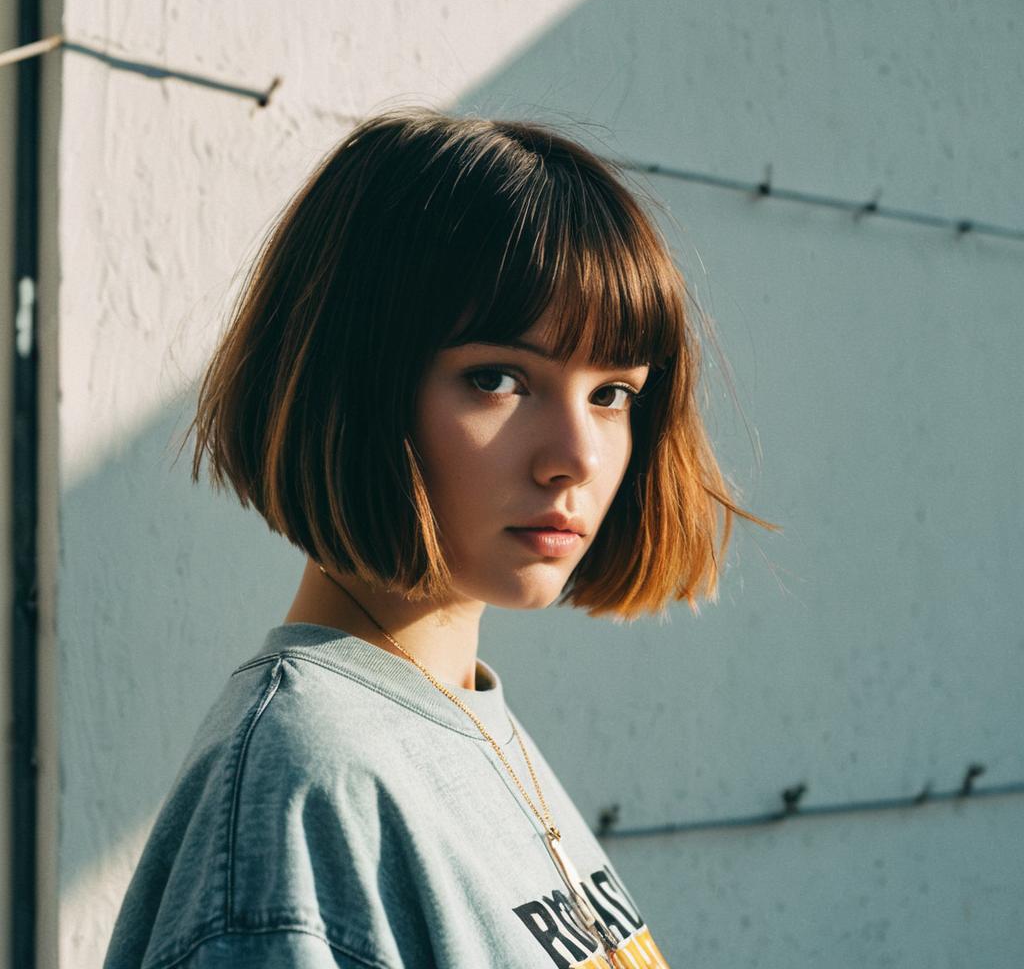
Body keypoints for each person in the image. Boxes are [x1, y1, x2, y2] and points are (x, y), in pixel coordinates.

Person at [103, 107, 771, 968]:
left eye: (613, 393)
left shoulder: (461, 720)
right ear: (353, 384)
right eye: (498, 379)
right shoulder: (308, 786)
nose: (576, 456)